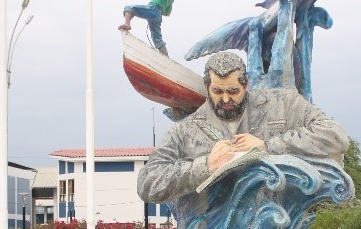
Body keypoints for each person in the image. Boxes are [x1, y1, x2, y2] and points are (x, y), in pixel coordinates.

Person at [137, 51, 350, 205]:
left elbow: (335, 135)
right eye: (218, 91)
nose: (226, 98)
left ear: (246, 84)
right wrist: (206, 166)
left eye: (233, 90)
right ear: (207, 86)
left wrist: (269, 146)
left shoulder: (282, 104)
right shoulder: (184, 131)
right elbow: (147, 183)